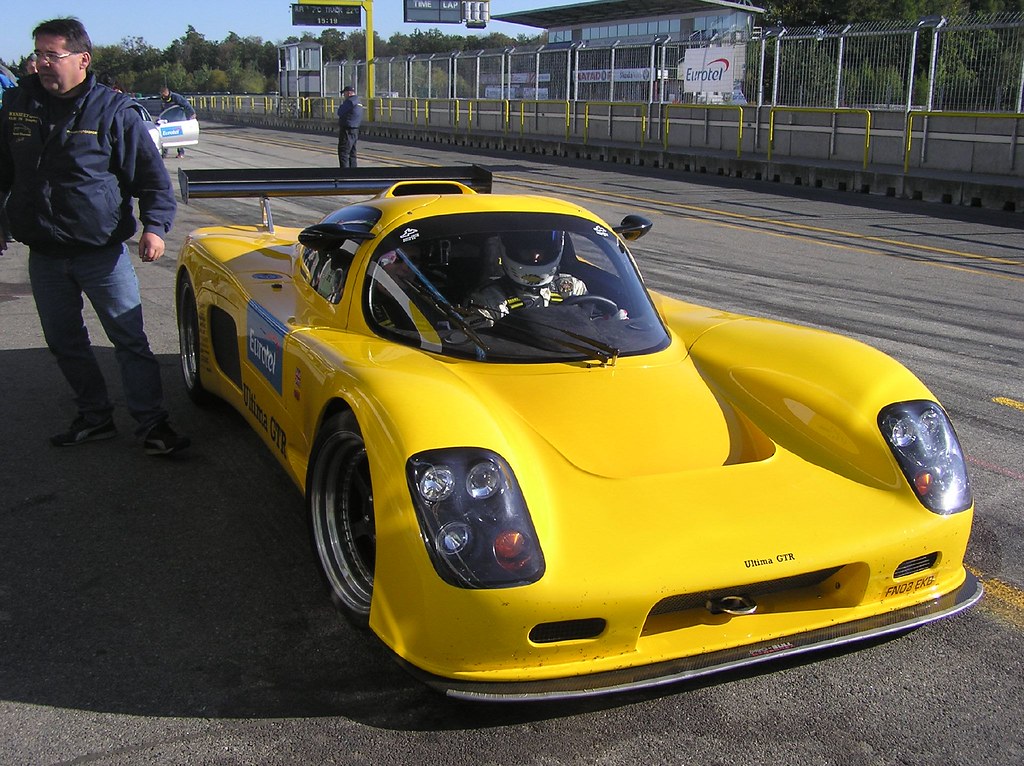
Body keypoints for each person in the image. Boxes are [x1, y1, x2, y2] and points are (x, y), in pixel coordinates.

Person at [0, 17, 190, 456]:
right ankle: (94, 415)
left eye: (53, 55)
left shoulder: (112, 111)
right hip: (45, 254)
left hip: (101, 253)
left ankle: (151, 424)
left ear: (82, 60)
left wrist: (155, 228)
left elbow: (152, 180)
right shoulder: (18, 106)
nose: (42, 64)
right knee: (64, 341)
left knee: (128, 338)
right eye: (38, 55)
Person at [467, 231, 588, 320]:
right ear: (511, 248)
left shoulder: (573, 288)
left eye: (542, 250)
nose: (535, 256)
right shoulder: (489, 300)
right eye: (526, 249)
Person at [159, 85, 196, 158]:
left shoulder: (176, 97)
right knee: (166, 137)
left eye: (163, 94)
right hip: (168, 119)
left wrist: (192, 113)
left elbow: (186, 104)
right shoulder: (163, 99)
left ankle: (181, 152)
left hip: (178, 119)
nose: (163, 96)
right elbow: (163, 110)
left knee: (178, 137)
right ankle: (164, 154)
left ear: (166, 92)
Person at [337, 85, 363, 168]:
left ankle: (344, 173)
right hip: (355, 129)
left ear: (348, 93)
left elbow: (340, 112)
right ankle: (353, 172)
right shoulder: (358, 101)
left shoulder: (349, 101)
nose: (344, 95)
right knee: (352, 152)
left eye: (344, 93)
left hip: (347, 129)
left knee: (344, 152)